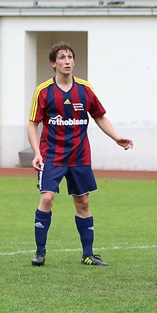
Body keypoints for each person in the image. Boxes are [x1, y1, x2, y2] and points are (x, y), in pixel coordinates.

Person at [28, 43, 133, 267]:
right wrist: (37, 153)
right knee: (47, 199)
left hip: (79, 155)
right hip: (52, 155)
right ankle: (40, 252)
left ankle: (88, 255)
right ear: (53, 63)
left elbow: (99, 116)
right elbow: (32, 124)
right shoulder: (44, 90)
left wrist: (116, 137)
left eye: (70, 57)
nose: (67, 61)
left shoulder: (85, 89)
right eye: (62, 57)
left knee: (83, 202)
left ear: (74, 61)